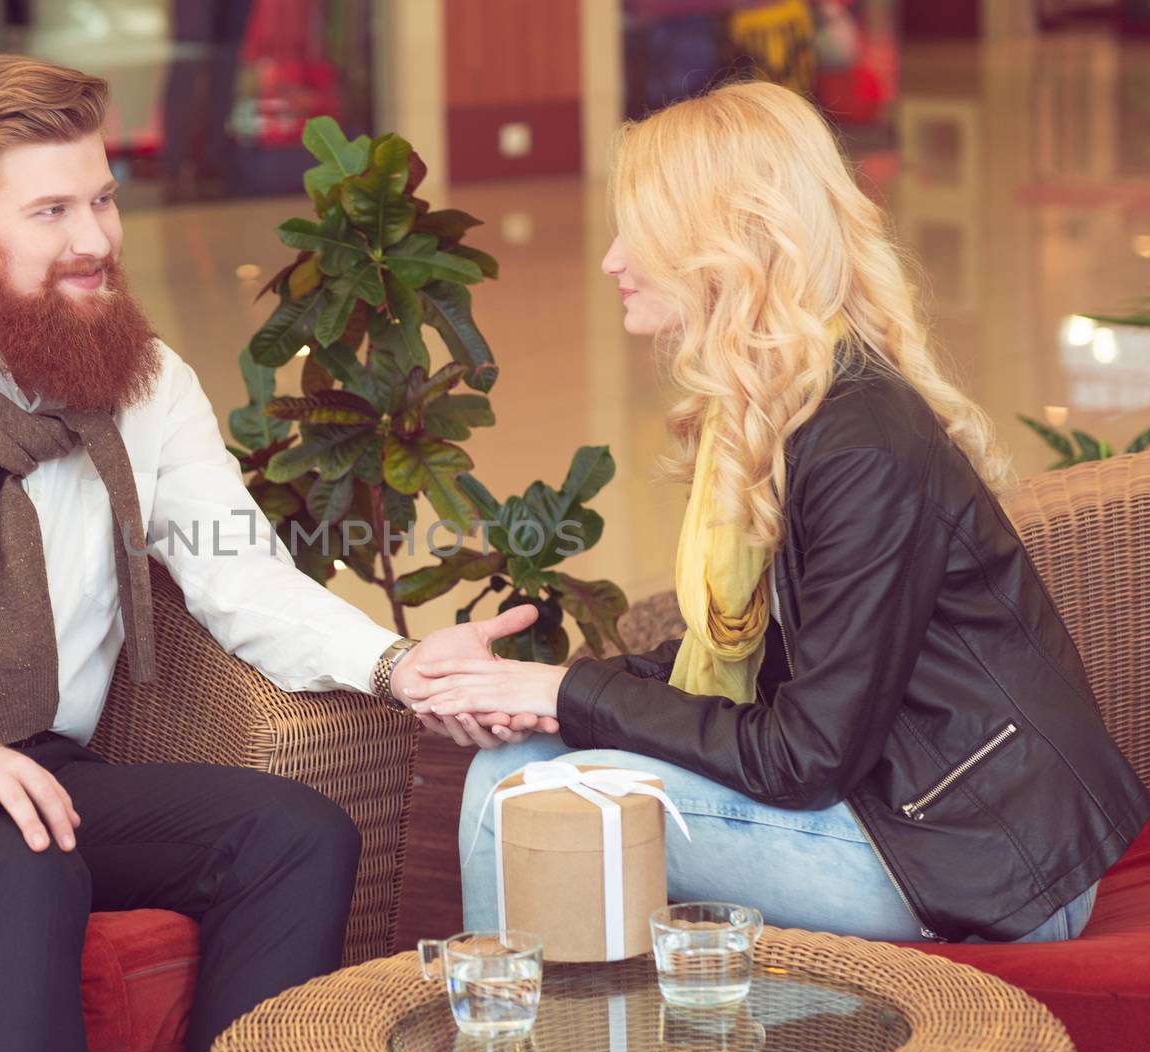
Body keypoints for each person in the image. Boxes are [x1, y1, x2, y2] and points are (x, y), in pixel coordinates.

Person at [0, 55, 539, 1052]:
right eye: (52, 211)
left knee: (295, 834)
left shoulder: (143, 384)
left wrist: (394, 663)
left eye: (102, 200)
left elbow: (235, 570)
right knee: (13, 852)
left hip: (37, 766)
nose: (96, 241)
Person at [405, 80, 1150, 945]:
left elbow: (803, 753)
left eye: (635, 231)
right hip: (895, 805)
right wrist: (547, 699)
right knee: (520, 760)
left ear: (723, 246)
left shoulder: (861, 441)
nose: (611, 258)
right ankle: (589, 1028)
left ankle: (510, 1029)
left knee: (521, 801)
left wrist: (570, 691)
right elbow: (747, 656)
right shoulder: (773, 411)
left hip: (983, 856)